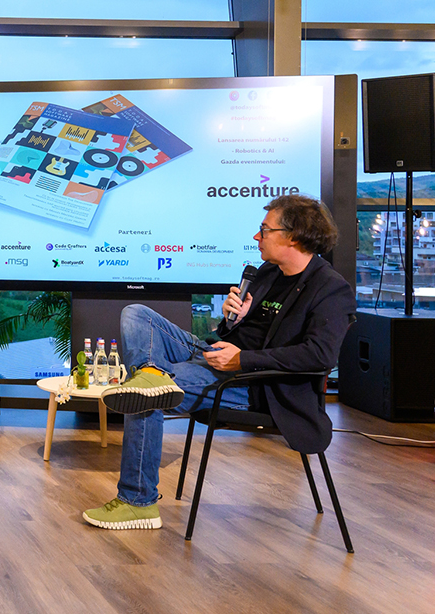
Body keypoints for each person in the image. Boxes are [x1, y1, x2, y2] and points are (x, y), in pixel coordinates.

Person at [83, 194, 356, 530]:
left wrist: (243, 360)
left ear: (294, 237)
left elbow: (319, 355)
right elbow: (239, 334)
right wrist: (233, 320)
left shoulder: (330, 289)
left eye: (265, 230)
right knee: (136, 314)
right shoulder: (268, 273)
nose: (257, 237)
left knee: (144, 395)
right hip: (218, 359)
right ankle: (152, 374)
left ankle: (137, 502)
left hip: (258, 386)